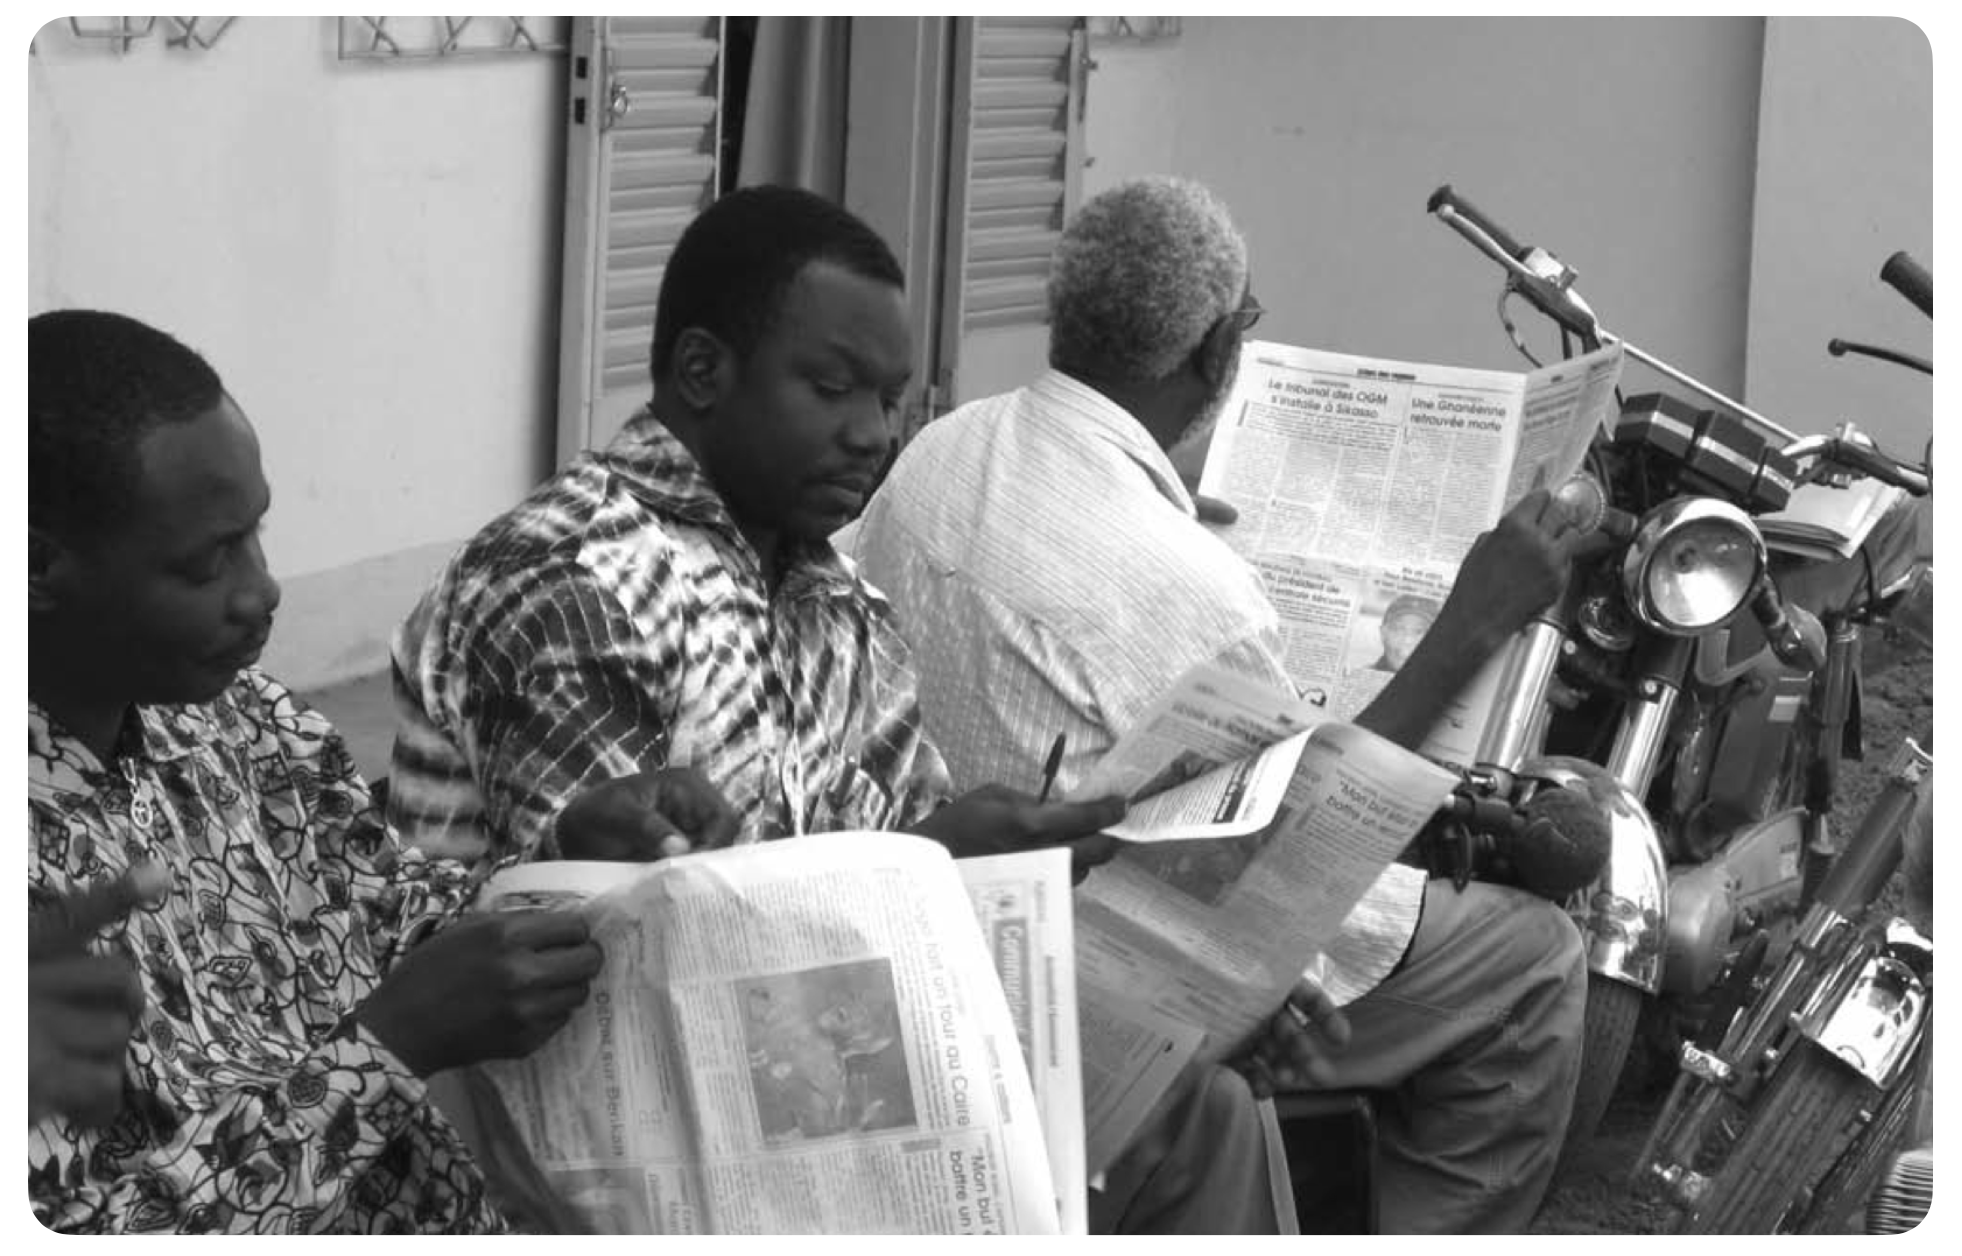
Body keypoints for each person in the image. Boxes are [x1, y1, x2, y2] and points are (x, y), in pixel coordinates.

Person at [388, 185, 1285, 1232]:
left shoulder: (836, 596)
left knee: (1195, 1100)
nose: (872, 435)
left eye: (890, 400)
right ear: (702, 372)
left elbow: (909, 864)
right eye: (831, 389)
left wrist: (1092, 928)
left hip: (814, 1064)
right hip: (611, 1139)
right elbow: (612, 993)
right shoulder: (573, 578)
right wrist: (931, 856)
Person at [851, 176, 1591, 1233]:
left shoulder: (943, 446)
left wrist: (1166, 518)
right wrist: (1474, 619)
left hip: (977, 906)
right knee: (1534, 960)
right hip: (1139, 952)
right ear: (1215, 352)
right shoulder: (1191, 587)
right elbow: (1311, 830)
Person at [26, 309, 731, 1233]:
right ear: (38, 566)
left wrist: (563, 863)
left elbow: (387, 914)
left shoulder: (245, 721)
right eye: (206, 564)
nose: (262, 589)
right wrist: (389, 1047)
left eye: (254, 534)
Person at [1370, 594, 1441, 673]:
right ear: (1383, 633)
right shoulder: (1362, 677)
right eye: (1398, 629)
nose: (1407, 640)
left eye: (1419, 631)